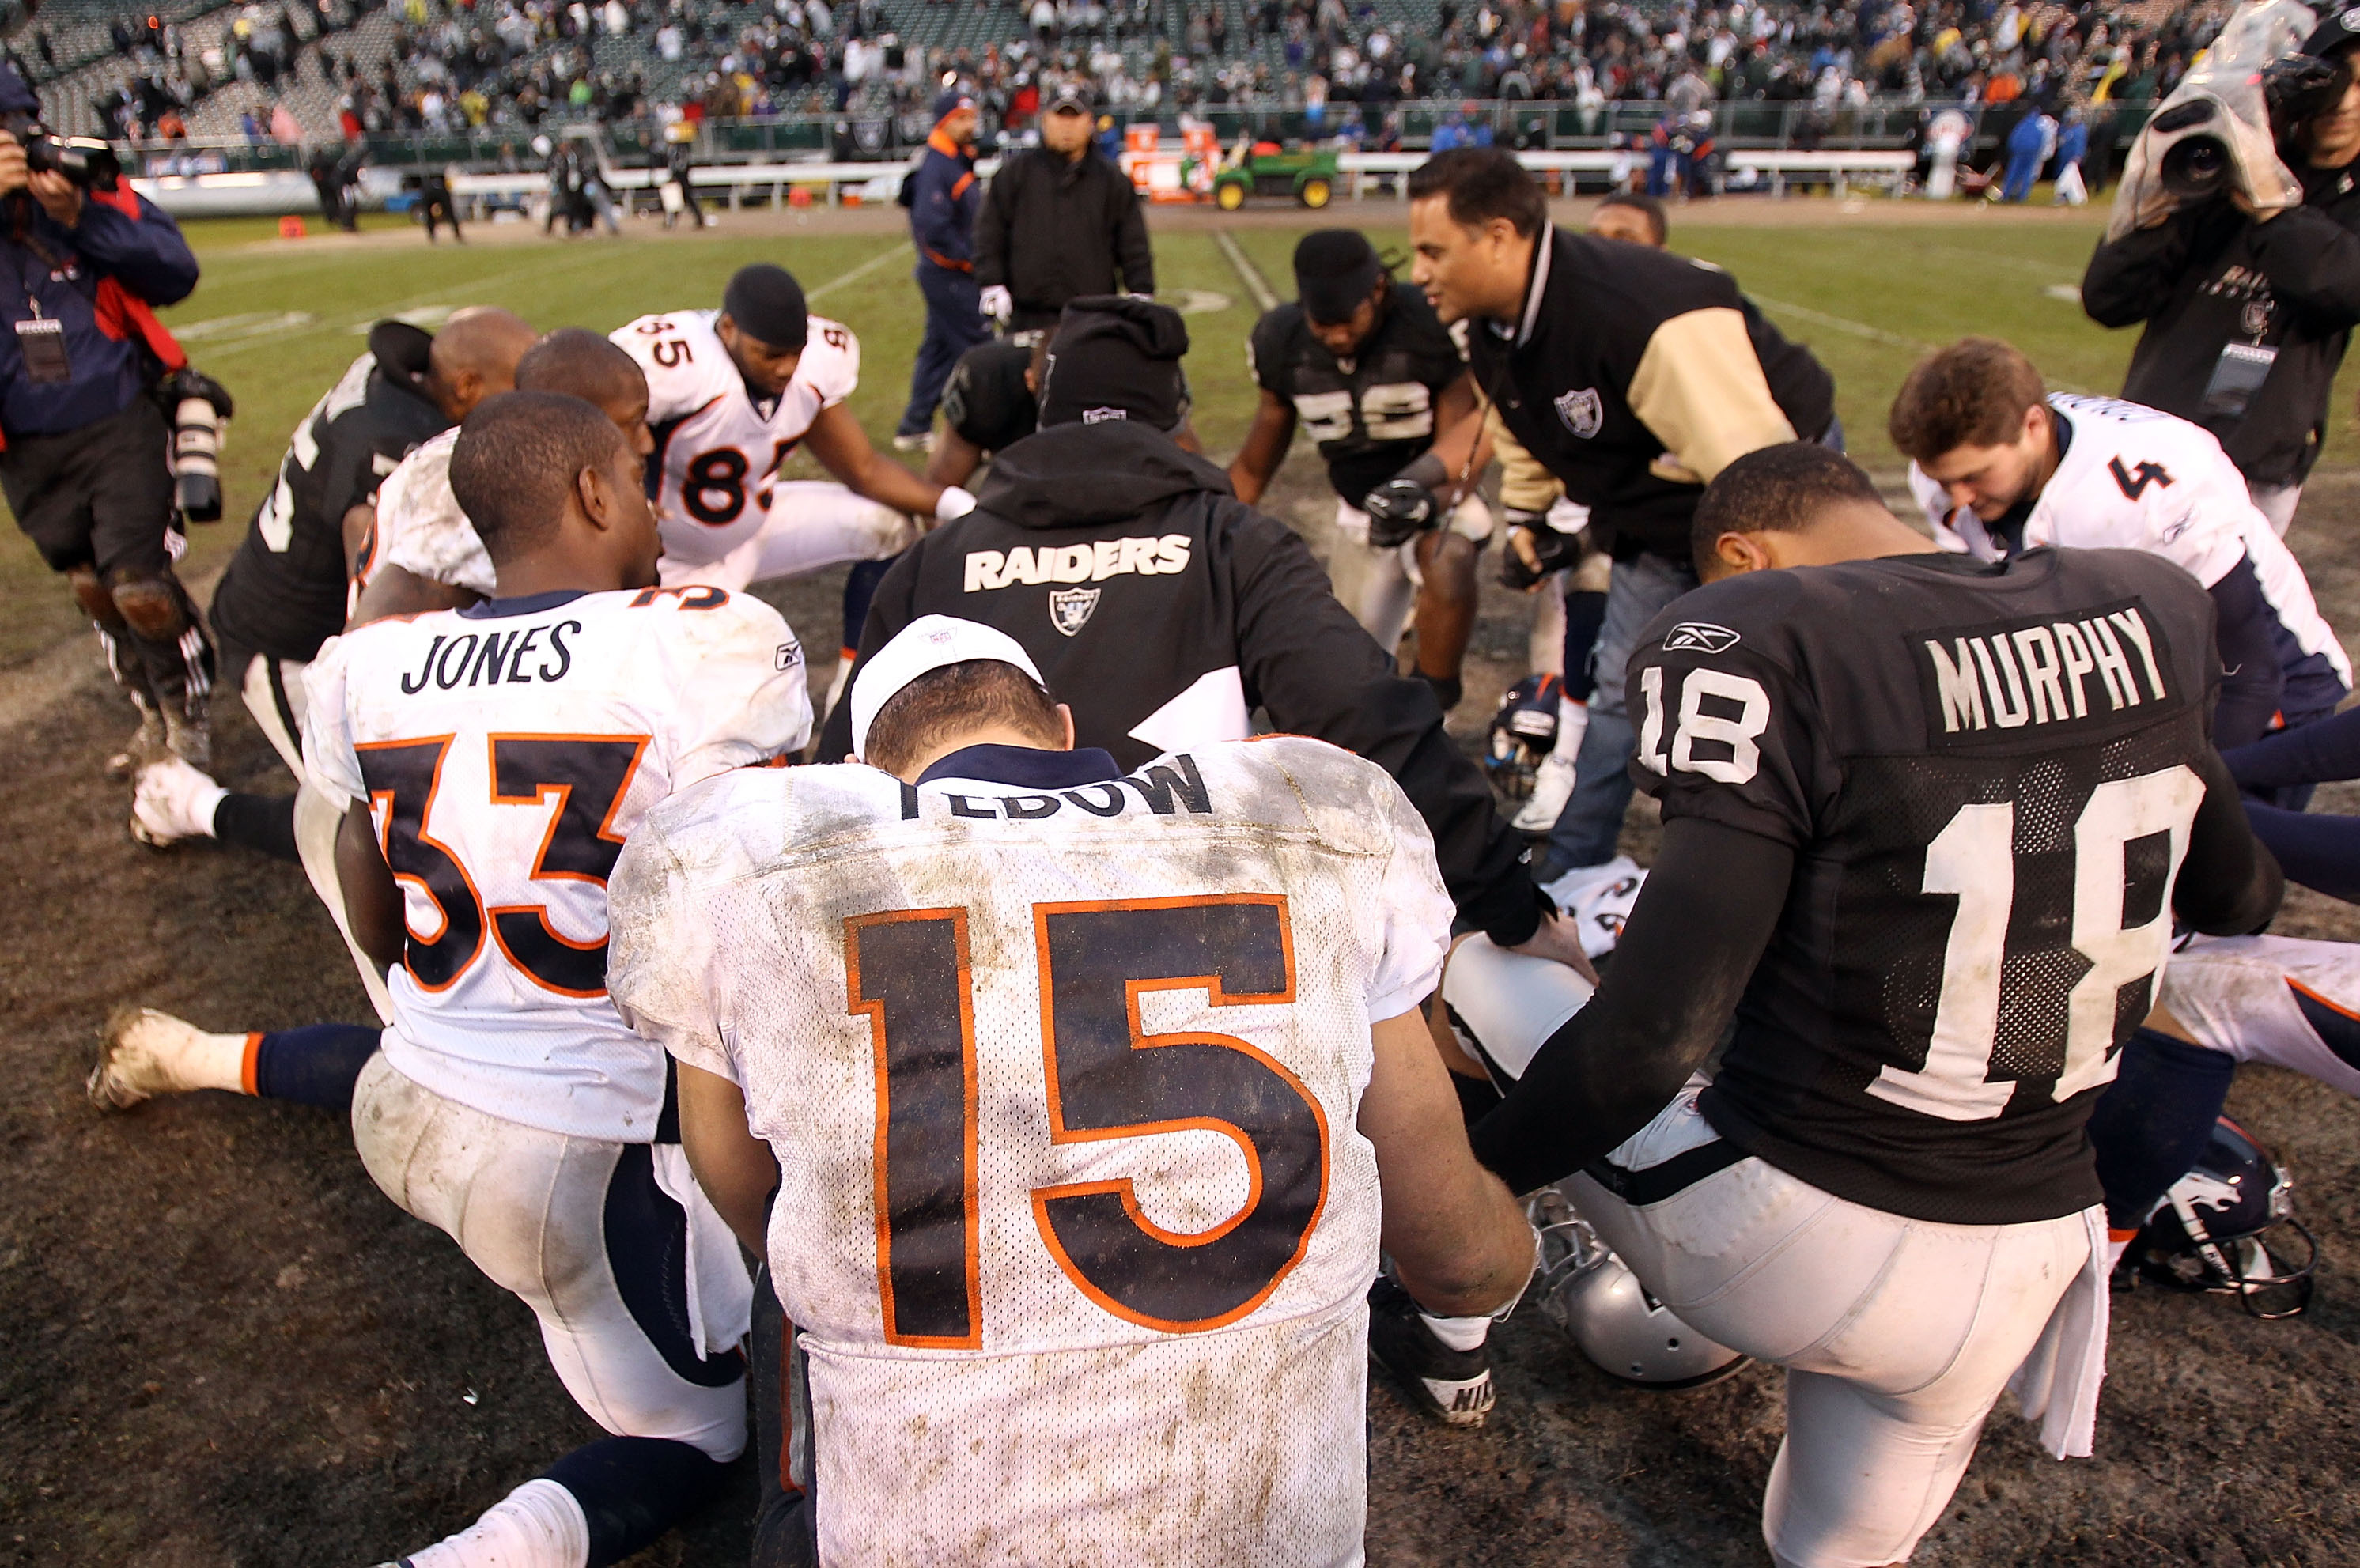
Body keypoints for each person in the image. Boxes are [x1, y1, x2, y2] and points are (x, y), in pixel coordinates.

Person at [1462, 442, 2282, 1568]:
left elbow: (1652, 1038)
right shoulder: (2135, 598)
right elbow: (2241, 890)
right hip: (2030, 1249)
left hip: (1796, 1224)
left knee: (1476, 956)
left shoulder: (1765, 635)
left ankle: (1438, 1304)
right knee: (1830, 1552)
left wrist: (1476, 1178)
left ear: (1741, 557)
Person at [605, 614, 1537, 1562]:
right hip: (1262, 1533)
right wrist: (1511, 1243)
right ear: (1060, 725)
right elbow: (1458, 1258)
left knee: (793, 1301)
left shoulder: (740, 858)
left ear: (867, 773)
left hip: (931, 1518)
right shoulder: (1315, 812)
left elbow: (741, 1187)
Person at [91, 390, 815, 1568]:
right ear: (591, 491)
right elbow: (767, 913)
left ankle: (194, 1055)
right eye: (632, 476)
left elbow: (370, 904)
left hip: (408, 1100)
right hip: (573, 1158)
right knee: (702, 1425)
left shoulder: (370, 663)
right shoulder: (702, 638)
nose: (646, 499)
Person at [815, 300, 1588, 1045]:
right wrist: (1512, 905)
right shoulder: (1232, 540)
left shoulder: (933, 563)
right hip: (1190, 986)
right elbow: (1368, 717)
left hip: (967, 991)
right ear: (1171, 414)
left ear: (1041, 410)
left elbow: (830, 788)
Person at [1404, 147, 1835, 884]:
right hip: (1659, 513)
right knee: (1625, 694)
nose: (1418, 272)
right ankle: (1574, 865)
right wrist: (1532, 519)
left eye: (1432, 250)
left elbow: (1765, 474)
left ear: (1500, 236)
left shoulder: (1637, 314)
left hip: (1771, 501)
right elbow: (1520, 421)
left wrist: (1763, 595)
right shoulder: (1493, 325)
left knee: (1789, 686)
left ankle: (1807, 869)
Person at [134, 310, 534, 1015]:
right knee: (355, 812)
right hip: (293, 645)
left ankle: (192, 804)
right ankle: (397, 1001)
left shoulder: (402, 383)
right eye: (518, 376)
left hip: (311, 611)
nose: (527, 392)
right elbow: (372, 589)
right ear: (467, 384)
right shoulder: (396, 442)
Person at [1890, 337, 2348, 755]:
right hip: (2136, 676)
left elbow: (2251, 674)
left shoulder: (2151, 488)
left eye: (1974, 476)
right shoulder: (1949, 474)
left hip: (2270, 691)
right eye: (1943, 480)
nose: (1959, 498)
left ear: (2033, 426)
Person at [0, 63, 211, 779]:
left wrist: (74, 219)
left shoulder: (84, 183)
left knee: (139, 587)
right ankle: (152, 713)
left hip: (120, 419)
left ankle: (188, 723)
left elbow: (175, 272)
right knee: (93, 588)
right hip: (25, 441)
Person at [2082, 9, 2360, 534]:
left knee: (2218, 613)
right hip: (2151, 442)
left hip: (2255, 465)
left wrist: (2271, 205)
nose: (2343, 101)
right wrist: (2155, 198)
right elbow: (2109, 300)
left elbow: (2344, 286)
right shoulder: (2224, 158)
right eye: (2333, 79)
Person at [1229, 229, 1492, 712]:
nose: (1336, 336)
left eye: (1346, 320)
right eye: (1321, 324)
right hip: (1358, 515)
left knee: (1448, 559)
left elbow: (1466, 449)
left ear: (1377, 291)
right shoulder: (1280, 341)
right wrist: (1210, 525)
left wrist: (1420, 498)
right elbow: (1255, 462)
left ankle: (1437, 701)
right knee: (1349, 673)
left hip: (1434, 502)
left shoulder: (1427, 324)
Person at [611, 263, 972, 602]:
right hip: (667, 560)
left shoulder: (812, 367)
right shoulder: (676, 367)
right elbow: (583, 428)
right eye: (768, 355)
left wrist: (959, 505)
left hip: (754, 529)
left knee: (888, 524)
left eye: (794, 354)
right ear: (727, 330)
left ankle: (852, 668)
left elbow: (864, 469)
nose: (785, 369)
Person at [974, 80, 1154, 334]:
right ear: (1044, 120)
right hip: (1027, 315)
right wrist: (991, 283)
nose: (1067, 125)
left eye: (1075, 117)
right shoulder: (1015, 176)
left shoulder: (1113, 182)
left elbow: (1133, 242)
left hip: (1093, 318)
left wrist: (1140, 291)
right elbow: (990, 233)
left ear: (1090, 122)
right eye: (1059, 116)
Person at [894, 85, 989, 452]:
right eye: (962, 119)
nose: (970, 125)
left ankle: (914, 426)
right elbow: (932, 229)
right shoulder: (939, 166)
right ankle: (994, 429)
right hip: (950, 275)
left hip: (952, 273)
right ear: (944, 123)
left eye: (972, 117)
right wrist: (969, 260)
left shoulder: (954, 161)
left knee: (937, 352)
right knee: (981, 350)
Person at [419, 163, 463, 243]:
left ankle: (457, 234)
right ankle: (432, 236)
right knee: (431, 215)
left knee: (450, 214)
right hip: (431, 191)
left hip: (437, 191)